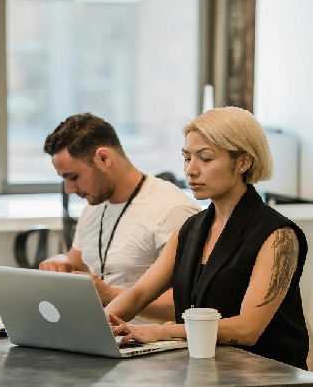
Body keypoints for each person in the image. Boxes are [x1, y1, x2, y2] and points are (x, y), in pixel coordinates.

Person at [105, 106, 309, 370]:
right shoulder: (190, 229)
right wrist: (97, 326)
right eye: (187, 158)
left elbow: (248, 329)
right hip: (202, 371)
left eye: (206, 159)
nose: (191, 170)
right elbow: (140, 293)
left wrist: (160, 331)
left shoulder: (279, 236)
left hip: (265, 375)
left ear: (244, 162)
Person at [39, 113, 201, 323]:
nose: (69, 189)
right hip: (99, 333)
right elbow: (76, 264)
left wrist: (108, 295)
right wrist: (60, 263)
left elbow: (194, 304)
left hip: (153, 344)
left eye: (73, 177)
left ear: (104, 158)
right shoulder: (95, 205)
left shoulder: (172, 210)